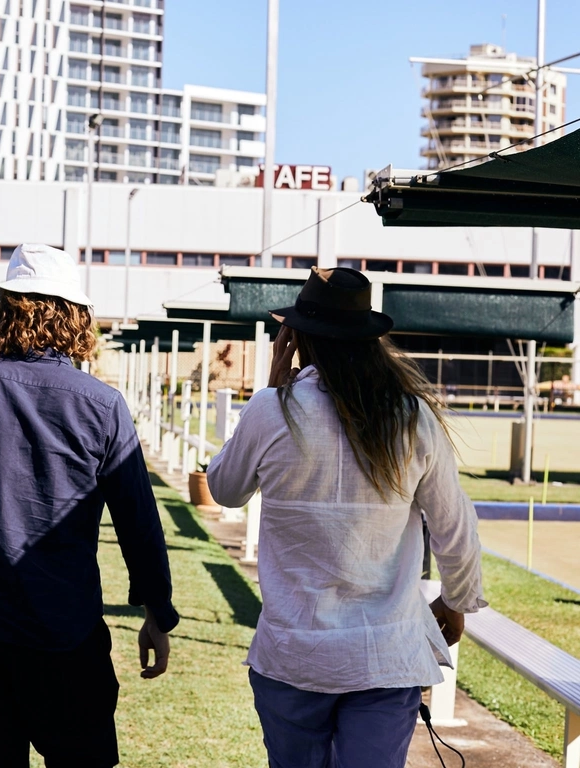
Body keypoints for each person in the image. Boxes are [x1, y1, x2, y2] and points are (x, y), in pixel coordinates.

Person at [0, 243, 178, 768]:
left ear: (6, 309)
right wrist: (156, 613)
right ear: (75, 315)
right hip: (68, 633)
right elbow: (138, 523)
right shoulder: (102, 404)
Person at [207, 267, 486, 768]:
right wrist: (456, 600)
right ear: (370, 338)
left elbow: (225, 490)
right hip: (385, 656)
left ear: (296, 339)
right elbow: (455, 528)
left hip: (292, 656)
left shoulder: (271, 410)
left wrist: (271, 390)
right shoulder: (412, 416)